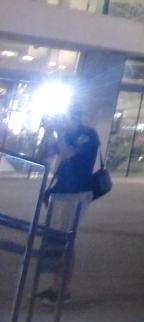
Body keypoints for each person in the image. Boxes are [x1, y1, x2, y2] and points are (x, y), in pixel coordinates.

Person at [37, 104, 100, 304]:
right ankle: (56, 287)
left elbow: (69, 154)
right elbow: (40, 156)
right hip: (61, 191)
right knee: (56, 239)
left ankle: (61, 290)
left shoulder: (87, 135)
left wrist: (58, 132)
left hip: (77, 193)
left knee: (66, 239)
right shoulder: (64, 134)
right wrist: (48, 132)